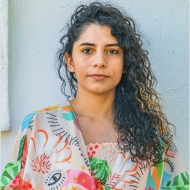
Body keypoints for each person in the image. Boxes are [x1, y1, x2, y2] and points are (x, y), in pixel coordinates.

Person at [0, 2, 189, 190]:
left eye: (112, 51)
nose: (99, 61)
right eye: (87, 50)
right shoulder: (39, 127)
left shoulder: (151, 132)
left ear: (125, 63)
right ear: (70, 61)